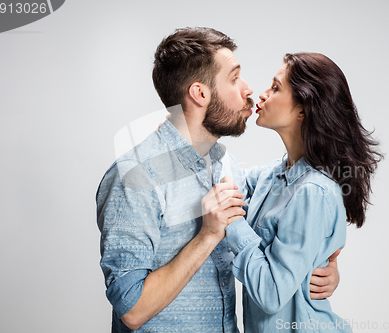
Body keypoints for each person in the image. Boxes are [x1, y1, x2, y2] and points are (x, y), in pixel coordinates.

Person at [96, 28, 340, 332]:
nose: (249, 90)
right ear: (200, 94)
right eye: (235, 78)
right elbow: (132, 309)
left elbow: (291, 199)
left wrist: (319, 262)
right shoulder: (136, 177)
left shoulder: (226, 165)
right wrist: (206, 236)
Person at [221, 53, 382, 332]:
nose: (262, 94)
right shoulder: (272, 175)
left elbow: (271, 294)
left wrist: (232, 221)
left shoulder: (313, 192)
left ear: (302, 110)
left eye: (275, 87)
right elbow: (224, 177)